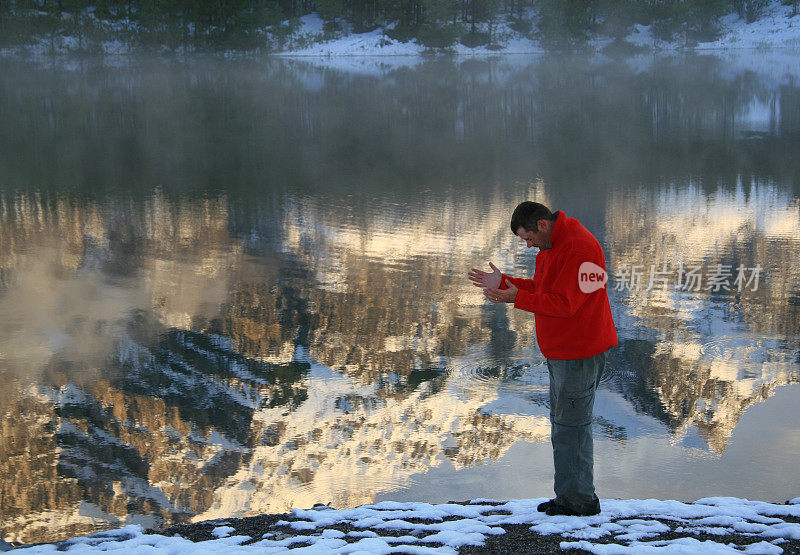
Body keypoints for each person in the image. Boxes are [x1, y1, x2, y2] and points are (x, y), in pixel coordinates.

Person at [468, 201, 618, 517]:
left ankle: (578, 501)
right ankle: (572, 495)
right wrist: (509, 284)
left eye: (529, 238)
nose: (529, 244)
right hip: (566, 351)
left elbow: (565, 304)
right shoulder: (557, 243)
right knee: (566, 424)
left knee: (571, 426)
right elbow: (545, 289)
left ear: (542, 225)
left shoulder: (577, 249)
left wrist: (516, 298)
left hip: (578, 352)